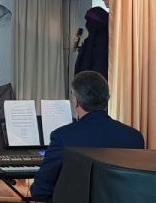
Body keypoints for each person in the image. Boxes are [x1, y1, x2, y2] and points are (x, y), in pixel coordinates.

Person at [30, 71, 144, 202]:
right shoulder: (135, 137)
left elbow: (40, 190)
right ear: (107, 99)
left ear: (76, 101)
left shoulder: (63, 137)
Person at [74, 5, 109, 80]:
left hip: (94, 83)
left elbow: (99, 66)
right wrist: (81, 45)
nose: (87, 24)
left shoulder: (102, 41)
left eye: (89, 21)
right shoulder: (92, 39)